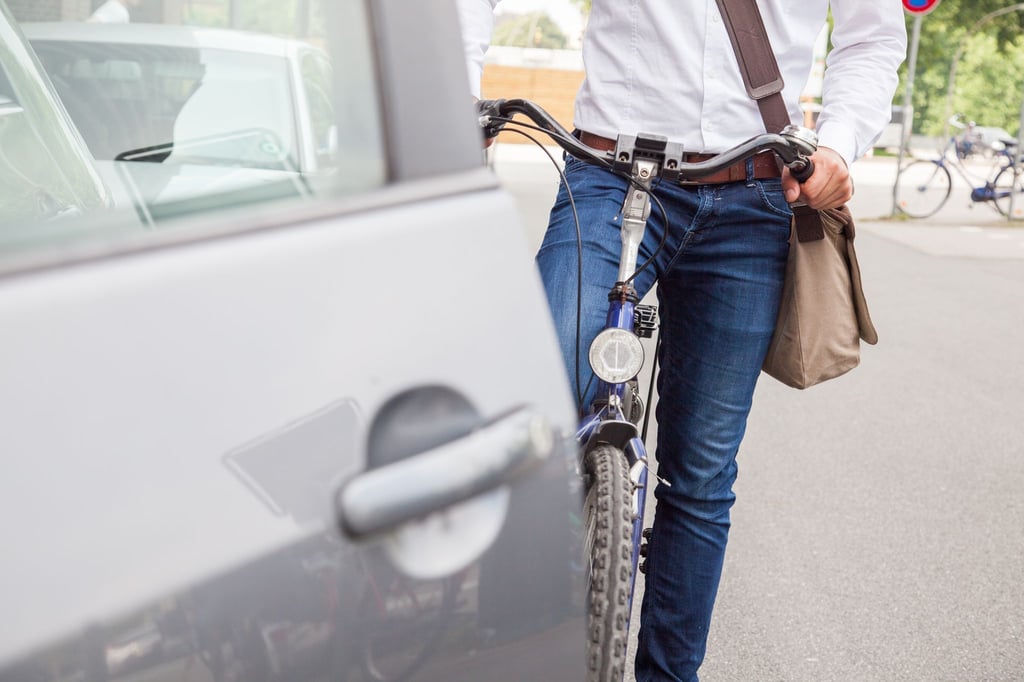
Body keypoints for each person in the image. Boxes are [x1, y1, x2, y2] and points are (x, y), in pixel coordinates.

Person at [457, 1, 906, 680]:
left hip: (758, 195)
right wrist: (458, 94)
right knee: (538, 415)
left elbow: (872, 37)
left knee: (701, 475)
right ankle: (514, 653)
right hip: (606, 172)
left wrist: (839, 143)